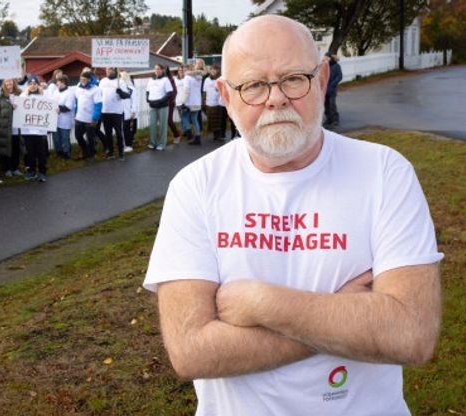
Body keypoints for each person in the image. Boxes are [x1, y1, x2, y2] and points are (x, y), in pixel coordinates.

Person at [144, 15, 443, 416]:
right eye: (253, 85)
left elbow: (412, 334)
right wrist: (346, 316)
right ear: (226, 96)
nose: (276, 98)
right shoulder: (195, 186)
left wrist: (261, 304)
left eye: (293, 79)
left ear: (321, 80)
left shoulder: (385, 173)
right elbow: (192, 351)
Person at [20, 75, 50, 182]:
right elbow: (19, 109)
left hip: (40, 130)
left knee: (41, 152)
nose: (32, 86)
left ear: (37, 85)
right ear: (28, 85)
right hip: (27, 130)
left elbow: (49, 109)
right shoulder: (23, 96)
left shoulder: (43, 95)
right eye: (30, 84)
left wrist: (55, 110)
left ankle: (42, 172)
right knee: (30, 152)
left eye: (34, 84)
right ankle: (32, 170)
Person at [98, 67, 130, 160]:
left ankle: (121, 153)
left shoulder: (120, 81)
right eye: (107, 69)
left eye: (111, 69)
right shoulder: (103, 81)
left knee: (119, 133)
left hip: (117, 112)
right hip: (105, 111)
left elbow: (127, 95)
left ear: (115, 70)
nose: (108, 70)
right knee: (108, 133)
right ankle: (111, 152)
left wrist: (121, 93)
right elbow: (99, 94)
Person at [0, 78, 22, 177]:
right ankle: (7, 168)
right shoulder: (0, 97)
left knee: (16, 148)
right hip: (4, 127)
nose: (9, 83)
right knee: (5, 148)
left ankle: (15, 168)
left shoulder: (20, 94)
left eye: (11, 81)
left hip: (16, 127)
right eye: (7, 81)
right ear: (4, 84)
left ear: (14, 82)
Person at [74, 71, 102, 161]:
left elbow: (98, 105)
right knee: (78, 136)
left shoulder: (95, 89)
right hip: (79, 118)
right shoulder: (79, 88)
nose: (83, 81)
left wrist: (95, 118)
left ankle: (91, 155)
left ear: (90, 79)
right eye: (81, 79)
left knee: (90, 138)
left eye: (85, 79)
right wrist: (75, 113)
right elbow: (77, 102)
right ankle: (85, 152)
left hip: (90, 119)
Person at [146, 63, 173, 151]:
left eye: (158, 69)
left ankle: (161, 143)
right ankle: (152, 143)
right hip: (152, 105)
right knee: (152, 124)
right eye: (155, 69)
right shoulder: (151, 80)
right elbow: (147, 92)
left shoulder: (165, 80)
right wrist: (148, 99)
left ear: (162, 70)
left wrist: (160, 101)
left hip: (163, 106)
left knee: (162, 125)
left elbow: (169, 93)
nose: (157, 70)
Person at [177, 64, 204, 145]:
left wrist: (183, 102)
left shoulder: (187, 78)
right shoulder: (198, 78)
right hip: (197, 102)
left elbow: (186, 91)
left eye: (185, 69)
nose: (184, 71)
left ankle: (189, 134)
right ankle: (197, 137)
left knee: (184, 117)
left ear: (188, 70)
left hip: (189, 102)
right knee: (195, 120)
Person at [53, 75, 76, 159]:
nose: (57, 83)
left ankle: (66, 153)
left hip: (65, 120)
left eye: (58, 81)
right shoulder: (55, 92)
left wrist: (59, 108)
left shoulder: (69, 93)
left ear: (63, 82)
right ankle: (59, 152)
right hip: (55, 119)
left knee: (65, 138)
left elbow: (69, 107)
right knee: (56, 138)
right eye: (57, 81)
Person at [202, 64, 225, 141]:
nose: (213, 71)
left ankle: (219, 135)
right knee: (211, 119)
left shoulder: (220, 79)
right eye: (211, 69)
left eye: (214, 69)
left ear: (218, 70)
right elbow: (204, 91)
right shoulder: (207, 80)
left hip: (218, 102)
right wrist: (204, 100)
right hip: (209, 102)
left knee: (218, 120)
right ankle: (215, 134)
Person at [120, 70, 138, 153]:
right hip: (119, 111)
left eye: (122, 77)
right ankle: (123, 144)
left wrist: (133, 111)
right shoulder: (119, 88)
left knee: (127, 129)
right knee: (121, 129)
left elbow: (134, 101)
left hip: (128, 111)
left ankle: (129, 145)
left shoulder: (131, 89)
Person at [324, 53, 343, 128]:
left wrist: (332, 84)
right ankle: (328, 119)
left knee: (332, 105)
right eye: (324, 58)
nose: (325, 59)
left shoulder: (336, 66)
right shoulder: (325, 66)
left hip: (332, 89)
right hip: (325, 89)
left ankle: (335, 120)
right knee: (326, 105)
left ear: (330, 58)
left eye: (326, 58)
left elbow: (339, 76)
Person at [165, 66, 181, 143]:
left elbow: (174, 91)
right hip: (160, 103)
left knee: (169, 120)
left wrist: (171, 99)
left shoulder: (171, 79)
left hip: (169, 102)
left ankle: (176, 135)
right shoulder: (156, 79)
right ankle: (162, 139)